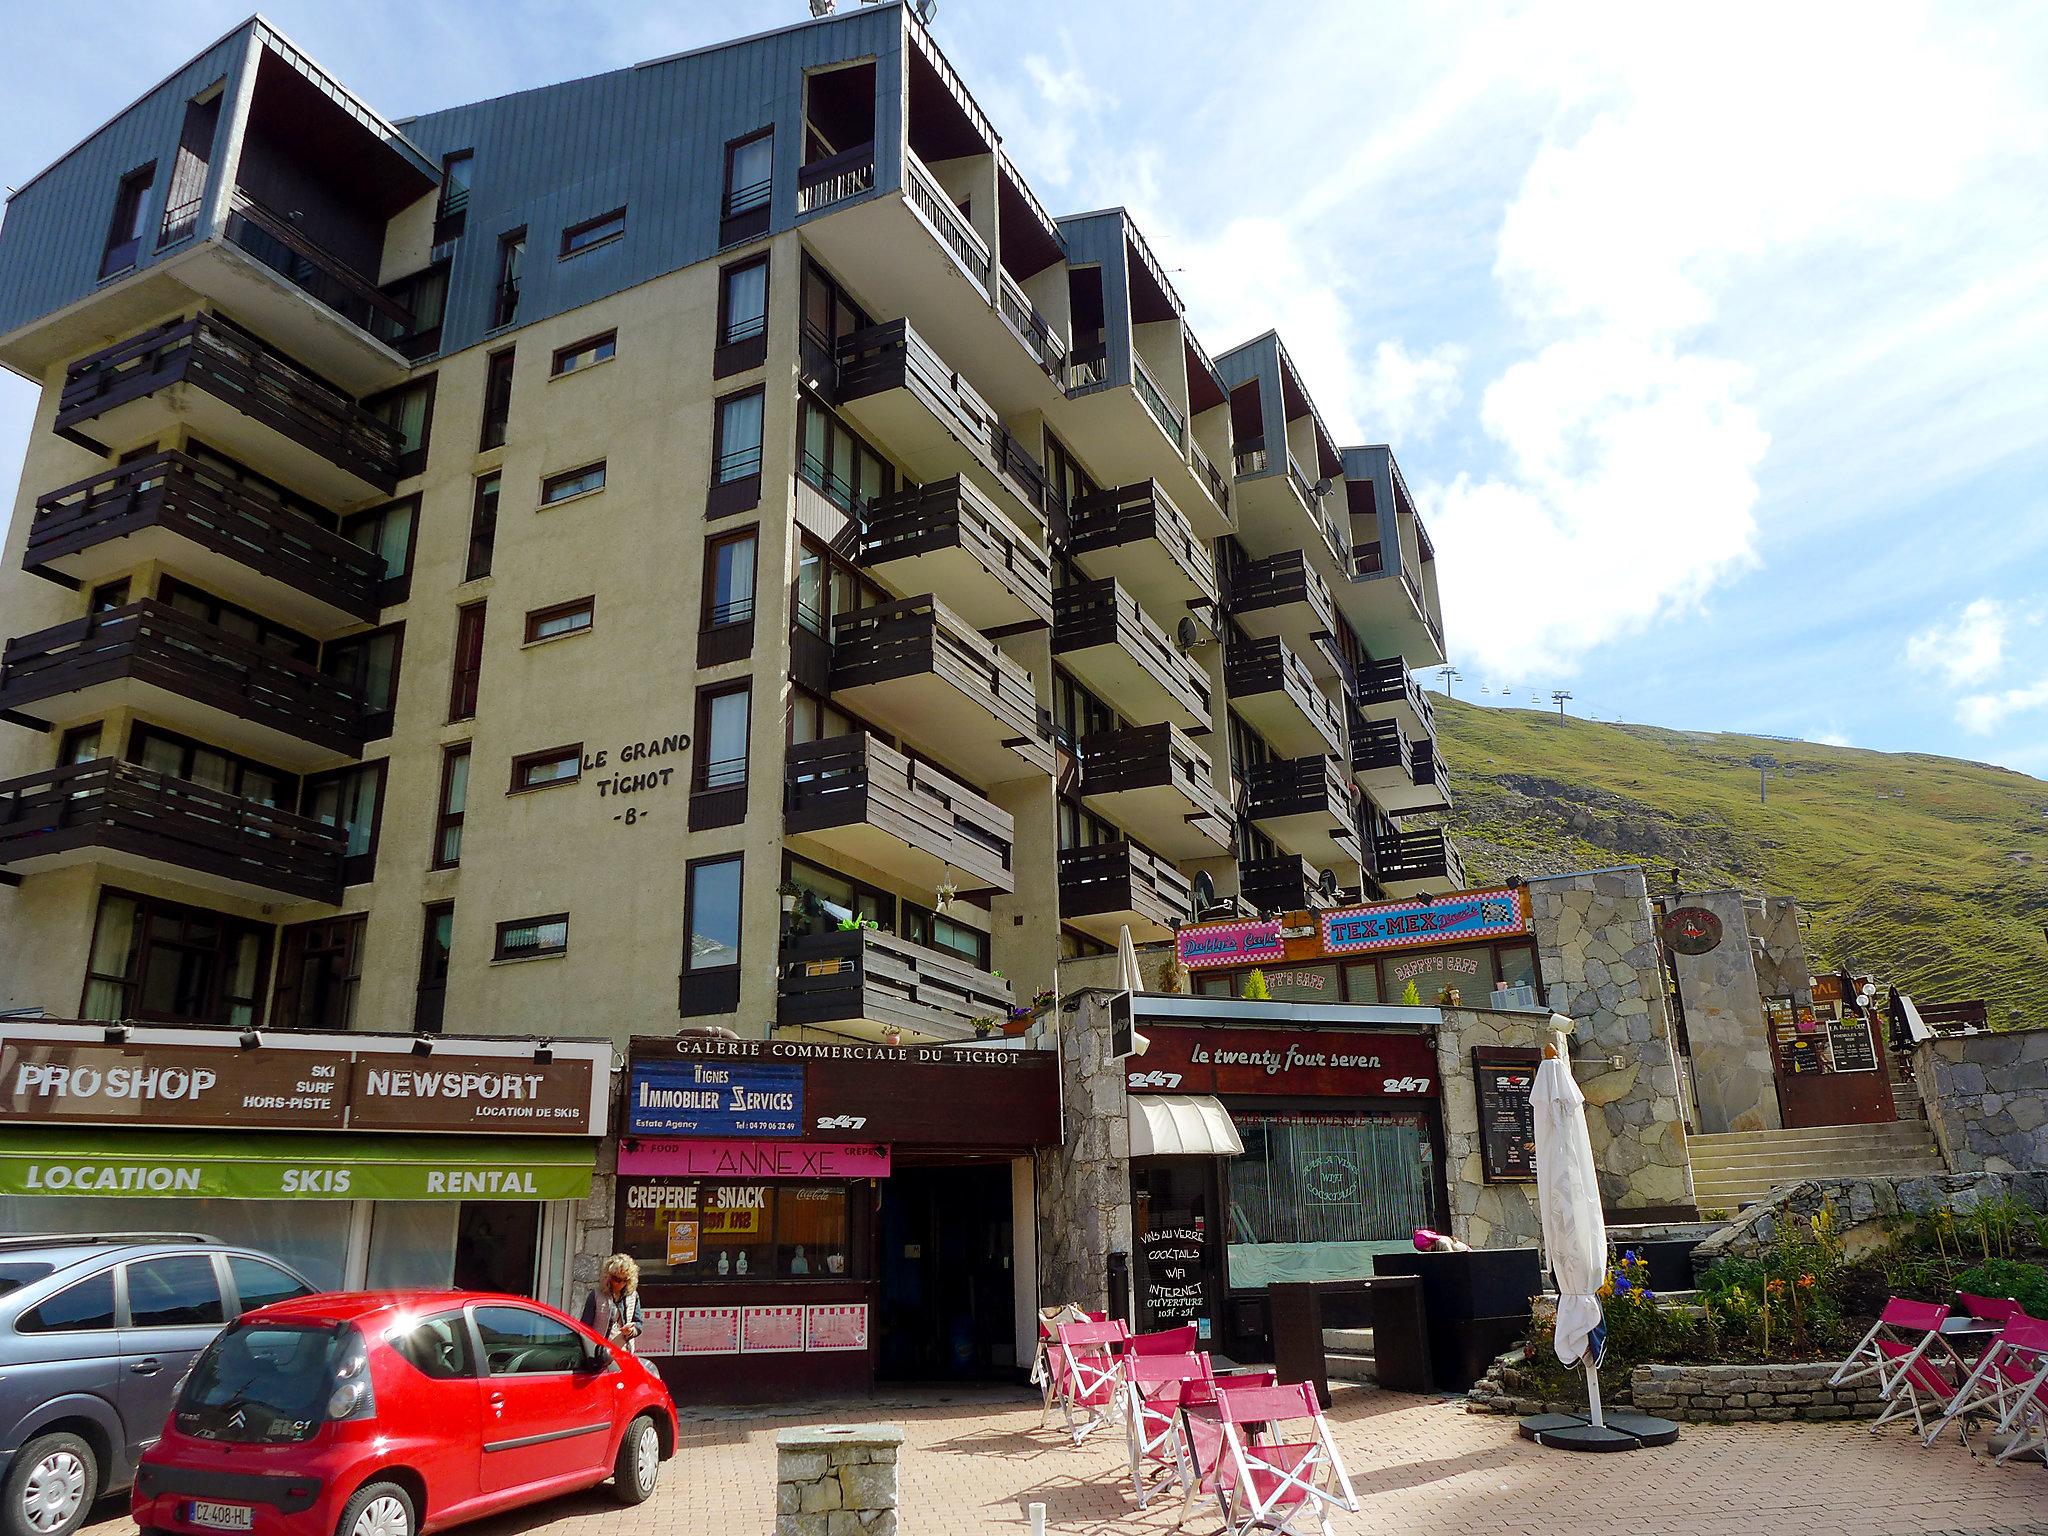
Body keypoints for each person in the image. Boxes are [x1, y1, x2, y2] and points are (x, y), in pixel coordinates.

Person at [580, 1253, 644, 1352]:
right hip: (600, 1352)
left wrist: (631, 1331)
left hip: (624, 1352)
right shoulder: (596, 1295)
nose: (620, 1284)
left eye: (624, 1280)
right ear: (608, 1277)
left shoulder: (633, 1296)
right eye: (616, 1279)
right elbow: (585, 1327)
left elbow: (638, 1323)